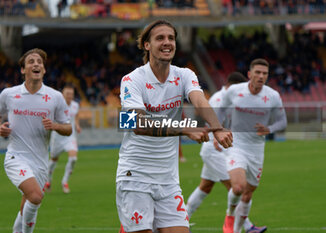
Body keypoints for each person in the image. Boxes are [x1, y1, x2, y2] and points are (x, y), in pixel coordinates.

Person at [116, 19, 233, 233]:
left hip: (168, 179)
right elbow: (137, 124)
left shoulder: (185, 75)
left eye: (171, 38)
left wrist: (217, 128)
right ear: (147, 45)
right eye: (160, 38)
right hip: (136, 177)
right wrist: (184, 128)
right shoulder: (132, 80)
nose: (167, 42)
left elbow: (199, 101)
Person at [0, 48, 72, 233]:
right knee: (35, 196)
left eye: (39, 62)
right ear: (23, 69)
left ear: (43, 70)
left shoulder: (55, 97)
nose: (36, 64)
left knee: (28, 202)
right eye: (31, 61)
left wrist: (55, 126)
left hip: (41, 161)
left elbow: (68, 128)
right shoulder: (9, 94)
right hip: (16, 157)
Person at [186, 72, 267, 232]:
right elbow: (214, 125)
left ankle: (183, 219)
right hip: (214, 150)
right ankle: (247, 226)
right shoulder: (219, 99)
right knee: (236, 188)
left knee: (205, 187)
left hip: (217, 150)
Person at [217, 59, 287, 233]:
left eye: (264, 73)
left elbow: (283, 121)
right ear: (249, 74)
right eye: (257, 72)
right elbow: (220, 110)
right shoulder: (234, 91)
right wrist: (217, 131)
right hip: (236, 144)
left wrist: (269, 129)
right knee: (238, 187)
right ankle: (229, 214)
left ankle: (237, 229)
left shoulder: (272, 96)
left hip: (256, 149)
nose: (261, 76)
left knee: (248, 194)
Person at [44, 84, 81, 193]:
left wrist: (77, 125)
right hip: (57, 137)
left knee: (73, 158)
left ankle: (64, 182)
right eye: (67, 94)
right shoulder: (56, 106)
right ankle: (48, 181)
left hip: (70, 136)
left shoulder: (75, 105)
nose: (69, 96)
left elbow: (76, 116)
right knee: (53, 160)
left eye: (71, 94)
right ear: (62, 94)